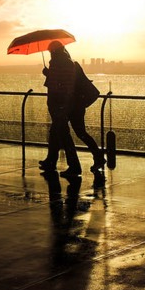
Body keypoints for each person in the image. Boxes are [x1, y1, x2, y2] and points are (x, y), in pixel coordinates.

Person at [38, 41, 81, 176]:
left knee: (62, 134)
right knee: (56, 132)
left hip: (57, 102)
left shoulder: (56, 62)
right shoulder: (68, 62)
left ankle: (73, 166)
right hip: (64, 102)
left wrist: (48, 74)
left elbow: (56, 83)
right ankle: (51, 160)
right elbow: (66, 83)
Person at [71, 61, 107, 187]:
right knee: (81, 133)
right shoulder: (74, 66)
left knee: (80, 133)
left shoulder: (69, 67)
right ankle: (98, 156)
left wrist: (49, 74)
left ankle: (97, 156)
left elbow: (67, 86)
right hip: (76, 106)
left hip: (72, 107)